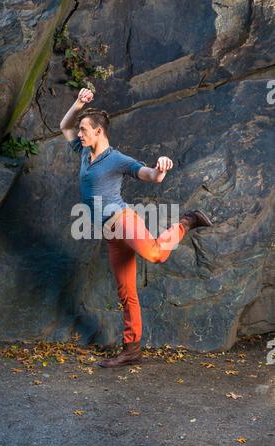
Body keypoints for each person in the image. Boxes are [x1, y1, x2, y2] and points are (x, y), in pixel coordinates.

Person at [60, 88, 213, 368]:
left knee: (155, 254)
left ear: (99, 132)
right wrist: (79, 104)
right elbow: (64, 126)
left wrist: (161, 169)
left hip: (123, 220)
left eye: (84, 130)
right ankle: (132, 351)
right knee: (126, 291)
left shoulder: (117, 159)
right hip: (110, 232)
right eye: (80, 130)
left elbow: (149, 176)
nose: (79, 134)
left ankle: (187, 221)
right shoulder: (83, 153)